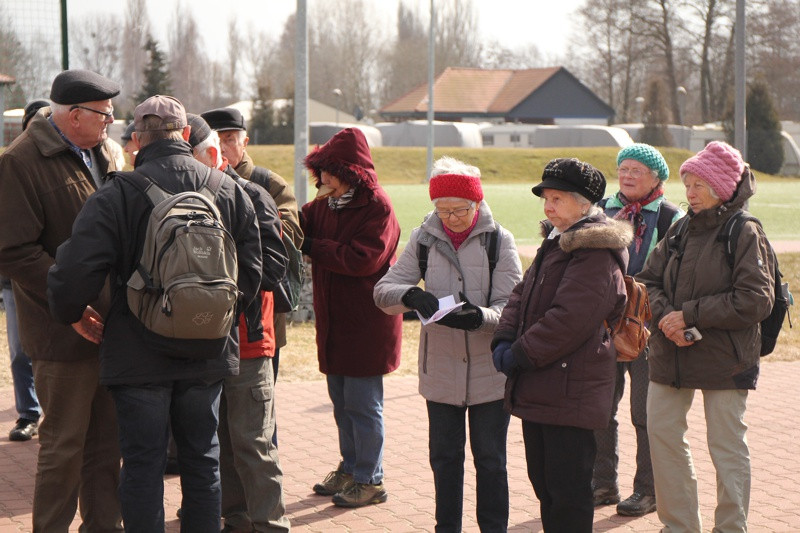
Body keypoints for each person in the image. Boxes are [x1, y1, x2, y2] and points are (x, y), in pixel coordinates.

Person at [47, 95, 262, 532]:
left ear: (137, 140)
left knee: (143, 465)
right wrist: (213, 315)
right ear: (186, 135)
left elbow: (74, 271)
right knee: (203, 462)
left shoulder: (117, 193)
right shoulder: (227, 188)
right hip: (208, 352)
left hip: (137, 352)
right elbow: (254, 271)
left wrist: (72, 312)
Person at [0, 69, 123, 532]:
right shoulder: (20, 161)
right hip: (61, 331)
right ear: (74, 116)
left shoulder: (106, 153)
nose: (111, 121)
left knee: (107, 447)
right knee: (64, 447)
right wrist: (69, 307)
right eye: (104, 114)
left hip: (112, 328)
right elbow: (13, 251)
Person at [373, 156, 523, 531]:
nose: (451, 218)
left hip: (490, 373)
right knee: (444, 458)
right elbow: (383, 290)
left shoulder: (499, 241)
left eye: (460, 210)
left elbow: (513, 306)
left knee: (490, 460)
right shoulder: (423, 239)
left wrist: (481, 317)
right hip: (439, 371)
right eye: (443, 210)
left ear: (477, 203)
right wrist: (410, 295)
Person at [637, 141, 774, 532]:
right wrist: (667, 320)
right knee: (663, 438)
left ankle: (731, 527)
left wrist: (690, 315)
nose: (690, 193)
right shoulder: (680, 227)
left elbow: (756, 300)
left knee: (726, 448)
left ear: (722, 188)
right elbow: (647, 281)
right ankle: (679, 526)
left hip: (726, 359)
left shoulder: (744, 231)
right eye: (688, 184)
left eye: (699, 185)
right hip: (670, 353)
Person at [491, 158, 631, 532]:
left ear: (585, 204)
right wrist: (504, 336)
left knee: (567, 492)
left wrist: (519, 353)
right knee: (546, 486)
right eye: (546, 198)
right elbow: (520, 294)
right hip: (544, 383)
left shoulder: (595, 251)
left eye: (557, 198)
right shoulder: (556, 241)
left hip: (571, 387)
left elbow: (570, 318)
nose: (548, 206)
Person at [187, 113, 291, 532]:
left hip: (248, 339)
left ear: (210, 154)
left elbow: (274, 267)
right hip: (204, 343)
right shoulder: (187, 194)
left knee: (254, 443)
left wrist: (218, 291)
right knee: (221, 444)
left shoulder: (252, 193)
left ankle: (269, 524)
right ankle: (236, 518)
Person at [301, 127, 402, 508]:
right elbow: (299, 222)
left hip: (366, 325)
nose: (323, 179)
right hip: (334, 323)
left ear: (351, 172)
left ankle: (370, 479)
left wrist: (311, 246)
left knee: (363, 404)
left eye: (330, 171)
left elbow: (363, 259)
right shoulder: (325, 204)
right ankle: (350, 467)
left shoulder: (378, 206)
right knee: (342, 403)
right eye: (320, 171)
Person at [201, 107, 303, 445]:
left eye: (231, 139)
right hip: (211, 315)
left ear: (244, 141)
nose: (225, 146)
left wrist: (246, 228)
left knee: (259, 412)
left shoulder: (266, 182)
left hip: (261, 316)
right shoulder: (198, 180)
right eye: (218, 140)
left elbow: (291, 233)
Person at [591, 143, 682, 516]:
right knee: (599, 409)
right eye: (623, 168)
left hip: (648, 331)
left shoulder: (671, 218)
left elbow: (674, 276)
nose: (627, 176)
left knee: (645, 414)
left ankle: (647, 490)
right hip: (602, 327)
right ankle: (602, 484)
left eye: (637, 170)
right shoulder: (602, 211)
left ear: (657, 177)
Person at [1, 100, 48, 442]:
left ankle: (57, 413)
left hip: (55, 275)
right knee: (20, 351)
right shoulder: (11, 165)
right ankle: (28, 414)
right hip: (13, 281)